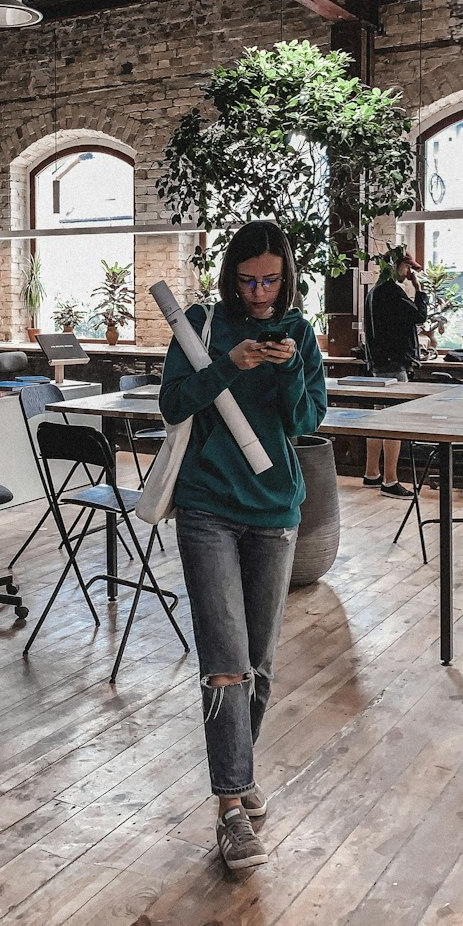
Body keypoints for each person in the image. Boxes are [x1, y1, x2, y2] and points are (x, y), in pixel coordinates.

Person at [159, 220, 327, 873]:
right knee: (225, 662)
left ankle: (239, 766)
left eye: (272, 280)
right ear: (232, 274)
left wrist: (283, 371)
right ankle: (231, 806)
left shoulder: (300, 333)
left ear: (286, 275)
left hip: (276, 510)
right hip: (206, 508)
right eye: (249, 279)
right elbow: (171, 403)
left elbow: (308, 421)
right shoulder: (200, 324)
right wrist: (230, 363)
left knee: (257, 662)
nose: (260, 293)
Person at [362, 247, 428, 499]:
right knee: (393, 424)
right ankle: (390, 480)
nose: (409, 273)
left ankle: (371, 473)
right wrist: (418, 288)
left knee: (378, 420)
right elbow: (419, 316)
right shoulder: (391, 292)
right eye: (407, 268)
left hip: (378, 364)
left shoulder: (374, 292)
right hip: (393, 365)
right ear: (397, 266)